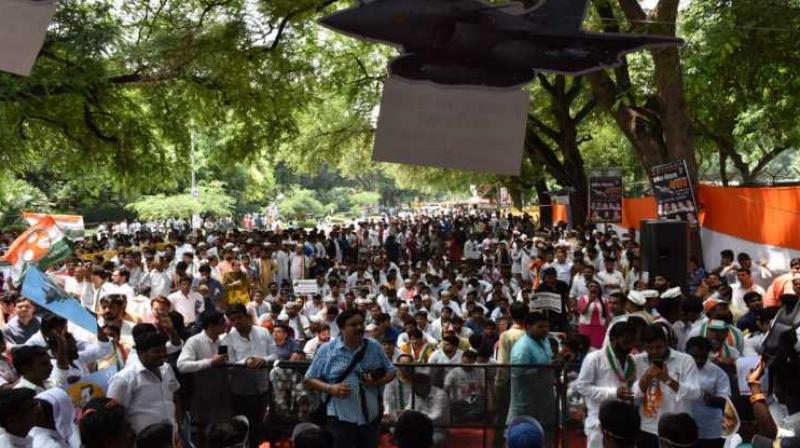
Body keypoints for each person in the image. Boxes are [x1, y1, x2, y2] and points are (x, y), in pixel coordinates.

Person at [304, 309, 397, 448]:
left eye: (361, 324)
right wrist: (331, 388)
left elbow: (391, 371)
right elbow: (310, 378)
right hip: (340, 419)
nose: (359, 328)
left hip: (370, 419)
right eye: (353, 325)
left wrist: (377, 381)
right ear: (342, 328)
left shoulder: (374, 346)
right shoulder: (327, 350)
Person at [633, 324, 701, 447]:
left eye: (659, 347)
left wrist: (667, 380)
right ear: (644, 346)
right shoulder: (638, 361)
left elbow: (695, 393)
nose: (654, 351)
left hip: (677, 429)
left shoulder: (685, 360)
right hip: (648, 428)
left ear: (667, 343)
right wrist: (647, 377)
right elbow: (634, 395)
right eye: (649, 348)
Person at [574, 321, 639, 447]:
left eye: (632, 342)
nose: (630, 346)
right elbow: (582, 387)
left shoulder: (632, 361)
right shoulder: (594, 358)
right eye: (626, 342)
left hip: (624, 422)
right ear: (613, 339)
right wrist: (614, 393)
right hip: (599, 421)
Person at [107, 326, 181, 436]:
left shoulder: (167, 368)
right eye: (156, 351)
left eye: (164, 350)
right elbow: (112, 415)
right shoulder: (124, 379)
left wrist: (177, 425)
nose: (162, 355)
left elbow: (175, 396)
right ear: (140, 353)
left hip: (171, 436)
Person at [221, 303, 277, 447]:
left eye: (239, 317)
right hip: (241, 392)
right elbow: (229, 364)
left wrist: (263, 360)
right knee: (242, 427)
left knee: (261, 426)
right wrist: (245, 361)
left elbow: (275, 355)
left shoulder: (263, 332)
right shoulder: (227, 339)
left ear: (247, 316)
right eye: (232, 320)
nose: (236, 322)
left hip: (263, 388)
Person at [176, 310, 231, 447]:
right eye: (221, 324)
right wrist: (209, 362)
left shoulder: (223, 340)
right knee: (201, 434)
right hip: (200, 394)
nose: (225, 326)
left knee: (220, 433)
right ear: (211, 325)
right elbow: (182, 366)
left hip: (221, 393)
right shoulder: (194, 342)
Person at [508, 312, 563, 447]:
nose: (545, 330)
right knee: (523, 438)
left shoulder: (544, 340)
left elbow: (548, 360)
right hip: (527, 401)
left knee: (545, 436)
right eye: (540, 327)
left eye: (546, 327)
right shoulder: (522, 348)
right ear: (528, 327)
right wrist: (544, 368)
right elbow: (518, 374)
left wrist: (555, 362)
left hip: (545, 399)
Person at [685, 337, 731, 448]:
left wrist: (713, 400)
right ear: (686, 352)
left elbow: (727, 402)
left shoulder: (718, 373)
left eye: (703, 357)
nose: (699, 360)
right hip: (683, 429)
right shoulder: (678, 369)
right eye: (695, 357)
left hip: (709, 431)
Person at [405, 373, 449, 447]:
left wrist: (417, 418)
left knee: (436, 439)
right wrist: (400, 414)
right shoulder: (415, 393)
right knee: (396, 430)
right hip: (418, 428)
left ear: (426, 386)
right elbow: (409, 409)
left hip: (436, 429)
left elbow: (436, 416)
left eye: (417, 387)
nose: (414, 390)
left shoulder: (440, 395)